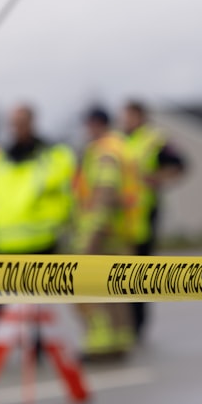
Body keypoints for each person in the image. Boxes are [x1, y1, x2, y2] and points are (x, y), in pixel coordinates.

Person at [0, 104, 76, 360]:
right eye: (13, 122)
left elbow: (59, 188)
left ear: (32, 122)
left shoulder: (53, 156)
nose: (16, 128)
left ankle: (37, 348)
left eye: (21, 121)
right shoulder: (0, 159)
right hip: (3, 241)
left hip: (40, 240)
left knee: (39, 304)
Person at [72, 106, 143, 361]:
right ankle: (119, 341)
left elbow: (105, 191)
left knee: (88, 289)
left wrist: (93, 233)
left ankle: (100, 344)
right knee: (117, 291)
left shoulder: (105, 151)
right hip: (121, 232)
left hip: (105, 233)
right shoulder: (121, 146)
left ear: (95, 124)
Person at [122, 100, 186, 341]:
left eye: (129, 116)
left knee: (139, 272)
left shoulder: (154, 139)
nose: (126, 121)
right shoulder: (120, 140)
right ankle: (125, 324)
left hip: (144, 214)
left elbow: (179, 166)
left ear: (140, 116)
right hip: (121, 218)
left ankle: (137, 326)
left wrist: (154, 178)